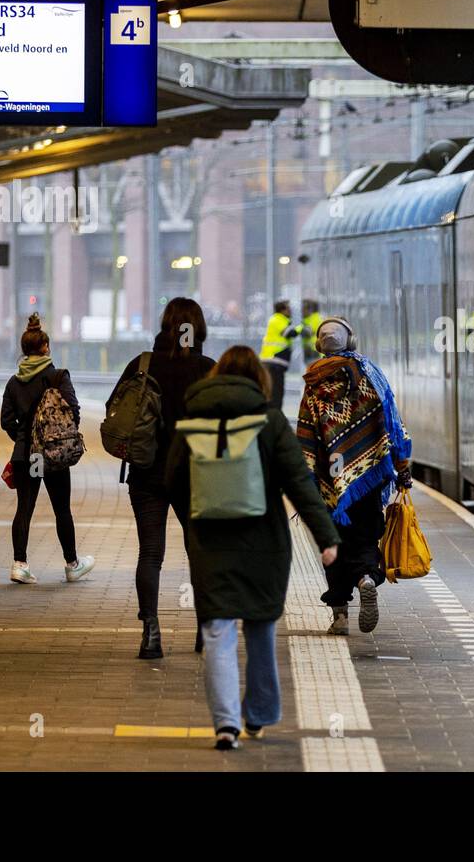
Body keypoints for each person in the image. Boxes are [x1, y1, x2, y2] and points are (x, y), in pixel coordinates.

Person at [165, 346, 341, 750]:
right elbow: (300, 482)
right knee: (261, 627)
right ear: (258, 380)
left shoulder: (192, 419)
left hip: (210, 545)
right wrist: (327, 539)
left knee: (216, 631)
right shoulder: (271, 421)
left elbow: (172, 479)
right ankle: (258, 715)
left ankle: (226, 725)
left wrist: (199, 510)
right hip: (266, 545)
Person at [110, 298, 216, 659]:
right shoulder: (208, 370)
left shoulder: (141, 365)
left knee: (150, 553)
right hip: (195, 478)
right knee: (199, 554)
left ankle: (151, 633)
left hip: (147, 473)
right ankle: (204, 631)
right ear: (197, 328)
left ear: (164, 325)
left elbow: (116, 414)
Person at [296, 316, 412, 636]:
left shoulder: (313, 383)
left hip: (328, 487)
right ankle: (365, 578)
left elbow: (305, 437)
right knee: (364, 538)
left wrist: (304, 483)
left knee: (333, 548)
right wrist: (402, 470)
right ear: (352, 341)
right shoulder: (370, 375)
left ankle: (340, 616)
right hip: (367, 480)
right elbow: (393, 427)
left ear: (320, 346)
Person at [0, 313, 95, 585]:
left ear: (23, 350)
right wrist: (54, 438)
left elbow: (6, 420)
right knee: (61, 509)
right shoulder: (58, 377)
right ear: (45, 347)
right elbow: (73, 412)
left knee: (24, 509)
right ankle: (72, 564)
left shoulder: (13, 382)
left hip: (26, 455)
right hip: (52, 455)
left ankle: (19, 564)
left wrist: (23, 439)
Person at [259, 299, 298, 412]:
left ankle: (273, 415)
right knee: (275, 392)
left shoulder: (279, 319)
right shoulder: (278, 319)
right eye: (288, 308)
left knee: (274, 391)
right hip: (273, 362)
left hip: (274, 362)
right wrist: (301, 328)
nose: (290, 310)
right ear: (282, 310)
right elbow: (289, 333)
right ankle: (274, 417)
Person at [298, 299, 324, 368]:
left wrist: (297, 329)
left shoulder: (315, 318)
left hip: (313, 351)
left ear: (310, 310)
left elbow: (307, 333)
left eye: (303, 309)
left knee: (313, 372)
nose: (302, 311)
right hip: (311, 350)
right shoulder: (311, 318)